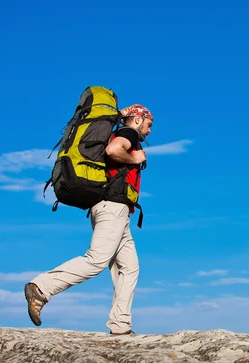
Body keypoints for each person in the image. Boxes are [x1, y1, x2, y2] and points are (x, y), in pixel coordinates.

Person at [24, 104, 153, 335]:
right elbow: (114, 150)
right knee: (96, 260)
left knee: (129, 267)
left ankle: (121, 326)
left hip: (116, 211)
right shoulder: (129, 133)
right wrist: (134, 160)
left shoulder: (123, 133)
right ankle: (41, 287)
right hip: (112, 208)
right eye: (149, 124)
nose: (150, 131)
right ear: (137, 119)